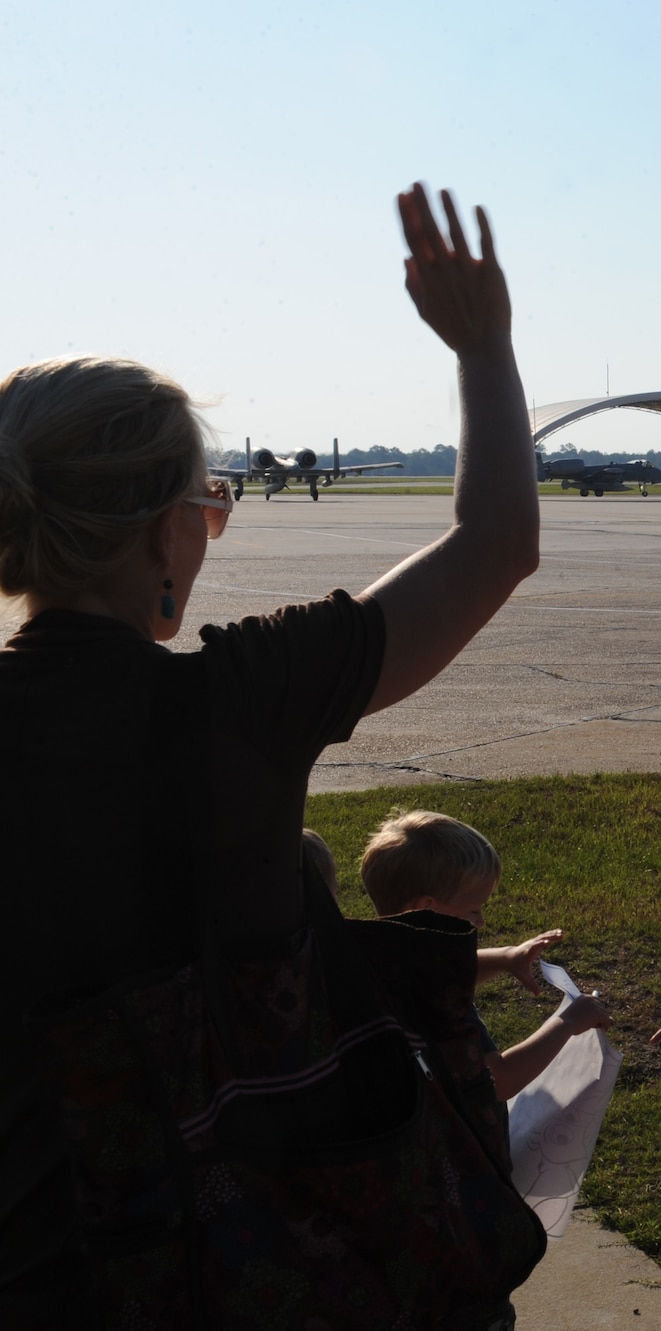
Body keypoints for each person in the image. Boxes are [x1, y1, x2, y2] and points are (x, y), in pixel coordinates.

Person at [0, 184, 540, 1324]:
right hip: (253, 1261)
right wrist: (483, 345)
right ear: (170, 531)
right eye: (214, 501)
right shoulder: (242, 695)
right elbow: (494, 541)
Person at [361, 809, 610, 1099]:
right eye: (474, 910)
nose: (480, 922)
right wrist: (567, 1022)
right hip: (453, 1138)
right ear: (425, 910)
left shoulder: (375, 957)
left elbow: (440, 970)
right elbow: (499, 1081)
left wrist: (506, 958)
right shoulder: (440, 1001)